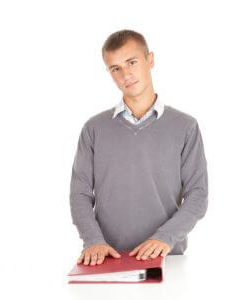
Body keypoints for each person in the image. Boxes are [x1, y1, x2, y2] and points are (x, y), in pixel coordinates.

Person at [69, 29, 208, 266]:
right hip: (106, 258)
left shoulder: (185, 127)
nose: (126, 74)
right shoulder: (94, 129)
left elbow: (198, 194)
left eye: (131, 62)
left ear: (150, 60)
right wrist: (93, 240)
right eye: (115, 68)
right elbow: (80, 194)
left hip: (167, 259)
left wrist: (165, 237)